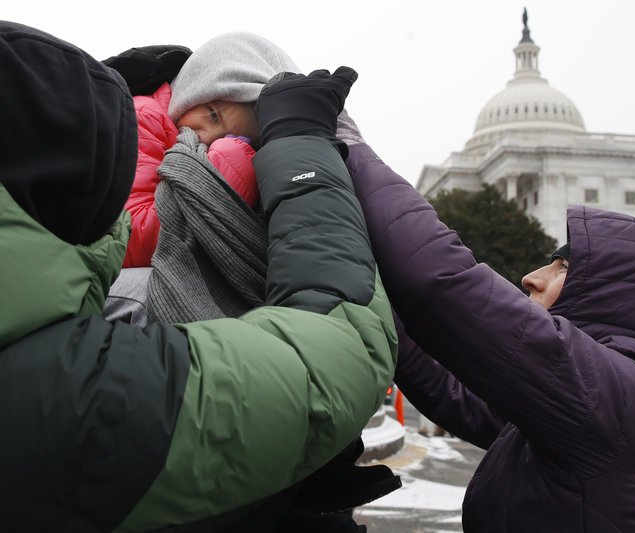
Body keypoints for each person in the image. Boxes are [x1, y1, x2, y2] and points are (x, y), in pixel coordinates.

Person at [0, 21, 396, 532]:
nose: (212, 133)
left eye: (234, 130)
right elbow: (133, 230)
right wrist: (251, 161)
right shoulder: (146, 121)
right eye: (209, 114)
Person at [338, 122, 635, 529]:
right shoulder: (595, 406)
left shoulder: (627, 402)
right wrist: (367, 283)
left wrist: (350, 148)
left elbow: (441, 282)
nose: (531, 277)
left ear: (624, 299)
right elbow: (449, 390)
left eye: (564, 267)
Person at [121, 32, 299, 268]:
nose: (206, 138)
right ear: (193, 89)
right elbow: (129, 238)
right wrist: (228, 165)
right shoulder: (144, 116)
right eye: (213, 116)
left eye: (234, 138)